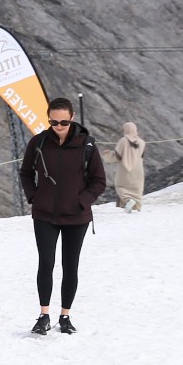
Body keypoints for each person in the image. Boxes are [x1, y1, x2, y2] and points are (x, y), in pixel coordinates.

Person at [18, 99, 107, 336]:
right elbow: (26, 173)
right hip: (44, 214)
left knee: (70, 266)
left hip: (77, 218)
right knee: (46, 263)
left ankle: (65, 316)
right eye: (54, 122)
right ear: (48, 119)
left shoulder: (87, 145)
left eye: (64, 122)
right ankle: (43, 315)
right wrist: (34, 197)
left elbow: (99, 181)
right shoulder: (38, 143)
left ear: (73, 117)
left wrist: (82, 201)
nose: (59, 126)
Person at [110, 122, 147, 211]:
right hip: (138, 168)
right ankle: (134, 206)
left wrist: (107, 155)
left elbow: (118, 156)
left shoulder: (123, 140)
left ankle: (128, 201)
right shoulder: (142, 142)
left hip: (125, 169)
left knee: (120, 186)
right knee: (136, 188)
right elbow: (142, 155)